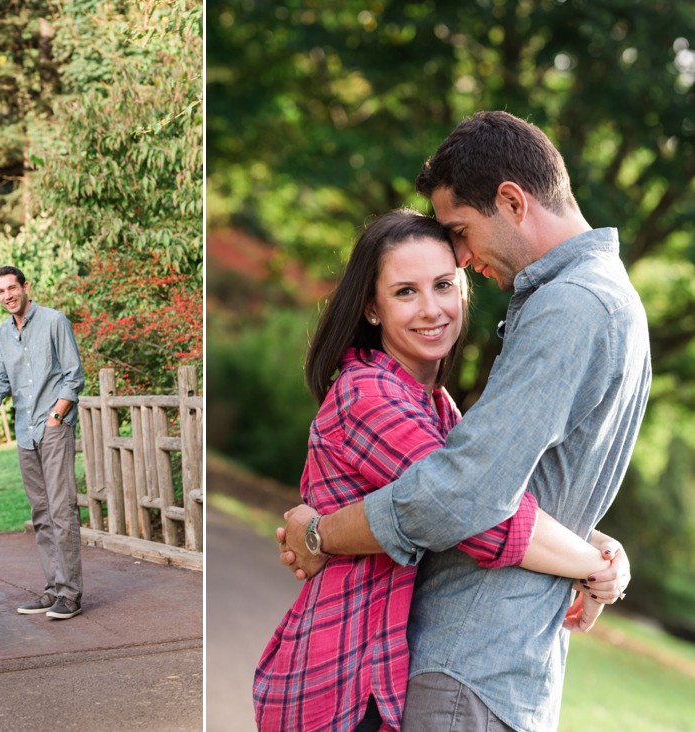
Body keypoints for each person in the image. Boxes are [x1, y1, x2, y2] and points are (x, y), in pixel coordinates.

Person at [278, 111, 651, 732]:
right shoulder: (607, 298)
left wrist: (319, 533)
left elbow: (466, 493)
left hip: (475, 654)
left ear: (511, 201)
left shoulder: (571, 305)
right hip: (483, 663)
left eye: (461, 233)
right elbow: (501, 486)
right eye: (406, 290)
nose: (463, 256)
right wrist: (595, 555)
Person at [0, 265, 86, 620]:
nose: (7, 295)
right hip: (24, 433)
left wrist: (56, 415)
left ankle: (71, 594)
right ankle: (52, 589)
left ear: (25, 287)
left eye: (12, 288)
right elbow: (0, 381)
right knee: (41, 513)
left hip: (54, 426)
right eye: (0, 291)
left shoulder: (54, 321)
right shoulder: (2, 334)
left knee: (62, 508)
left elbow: (74, 376)